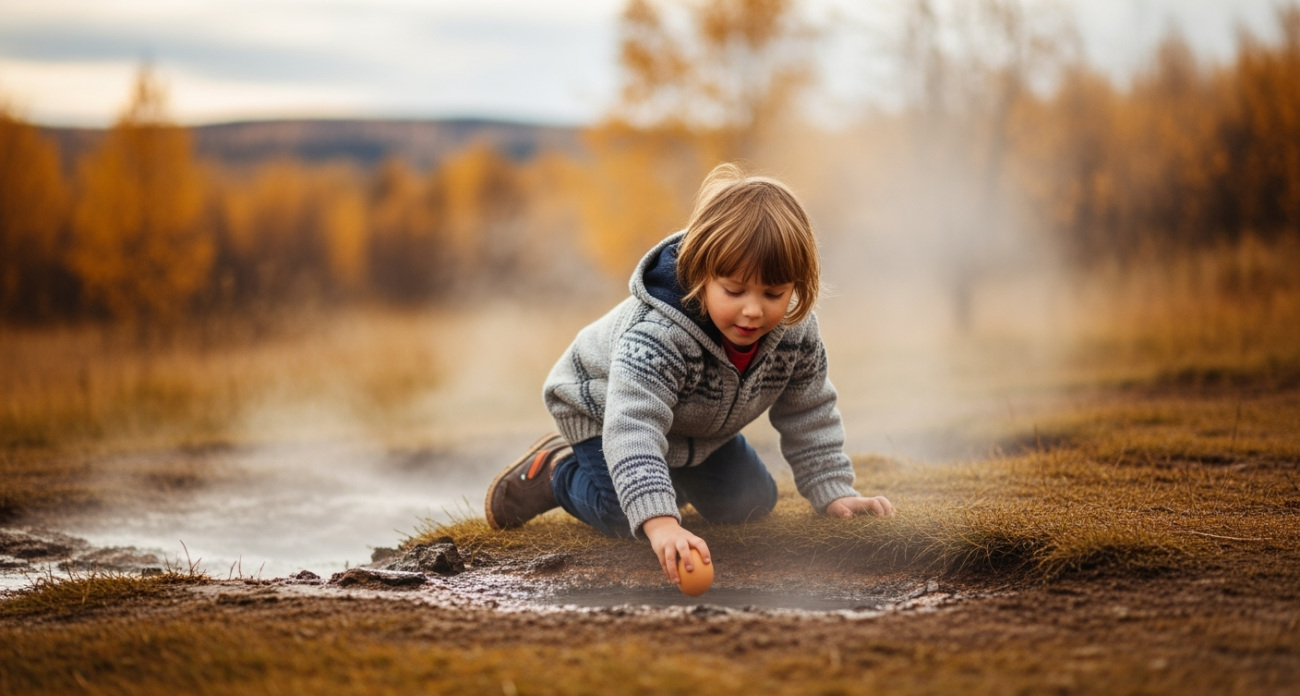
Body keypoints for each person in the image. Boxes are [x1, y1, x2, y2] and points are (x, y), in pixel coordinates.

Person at [484, 163, 894, 587]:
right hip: (605, 410)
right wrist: (661, 523)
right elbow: (634, 426)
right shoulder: (659, 335)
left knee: (751, 503)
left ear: (797, 284)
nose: (753, 310)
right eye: (734, 291)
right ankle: (558, 471)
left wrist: (834, 490)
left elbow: (810, 410)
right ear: (701, 273)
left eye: (773, 294)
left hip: (692, 428)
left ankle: (657, 479)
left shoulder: (795, 335)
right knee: (624, 514)